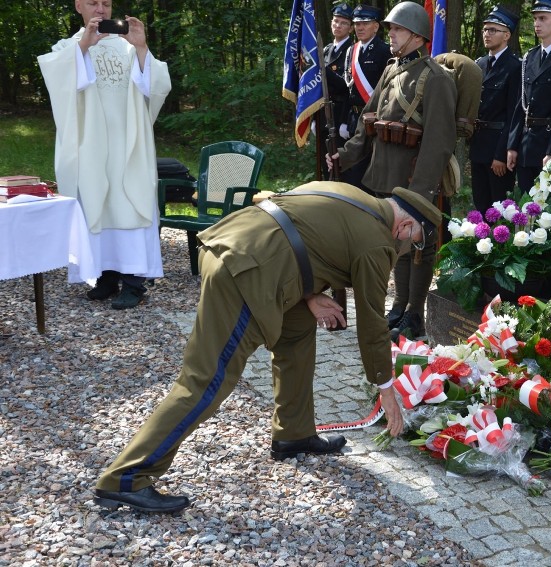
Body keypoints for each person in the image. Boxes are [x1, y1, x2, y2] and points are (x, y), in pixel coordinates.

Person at [93, 181, 441, 513]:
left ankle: (294, 434)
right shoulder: (377, 242)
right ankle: (127, 479)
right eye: (414, 242)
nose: (408, 249)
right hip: (245, 274)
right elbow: (371, 325)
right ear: (405, 225)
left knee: (298, 332)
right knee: (206, 379)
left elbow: (285, 218)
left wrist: (309, 294)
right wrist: (386, 388)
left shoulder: (349, 194)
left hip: (240, 246)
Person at [327, 1, 457, 341]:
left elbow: (440, 141)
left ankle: (414, 313)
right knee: (395, 242)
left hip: (413, 178)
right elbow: (367, 123)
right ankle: (399, 306)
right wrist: (344, 156)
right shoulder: (391, 69)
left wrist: (422, 191)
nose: (391, 35)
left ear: (415, 35)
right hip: (383, 173)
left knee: (419, 246)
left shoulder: (435, 78)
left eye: (396, 29)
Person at [38, 0, 171, 310]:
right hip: (91, 143)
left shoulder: (127, 45)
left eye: (106, 3)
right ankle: (106, 277)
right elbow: (60, 85)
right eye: (93, 3)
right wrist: (83, 48)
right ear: (78, 6)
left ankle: (135, 282)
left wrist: (141, 48)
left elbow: (157, 86)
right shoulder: (69, 46)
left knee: (129, 201)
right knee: (97, 203)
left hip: (129, 143)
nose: (101, 9)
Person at [326, 4, 392, 192]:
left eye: (365, 23)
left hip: (375, 120)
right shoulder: (351, 51)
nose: (359, 28)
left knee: (370, 175)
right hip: (355, 119)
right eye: (356, 24)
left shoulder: (384, 51)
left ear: (376, 26)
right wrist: (345, 120)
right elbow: (349, 90)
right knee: (352, 174)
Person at [505, 0, 551, 193]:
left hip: (548, 144)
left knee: (547, 213)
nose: (536, 23)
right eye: (535, 19)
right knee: (525, 208)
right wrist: (512, 145)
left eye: (542, 18)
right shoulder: (530, 56)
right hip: (526, 145)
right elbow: (520, 104)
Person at [469, 5, 521, 214]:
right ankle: (479, 245)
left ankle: (498, 246)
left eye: (493, 30)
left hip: (497, 148)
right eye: (485, 29)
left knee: (499, 209)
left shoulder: (515, 66)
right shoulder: (479, 64)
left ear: (506, 35)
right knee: (480, 204)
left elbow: (514, 113)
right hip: (479, 144)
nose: (487, 34)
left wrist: (501, 154)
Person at [317, 2, 354, 179]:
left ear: (351, 28)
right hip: (324, 114)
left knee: (340, 165)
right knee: (325, 164)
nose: (338, 26)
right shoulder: (326, 50)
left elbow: (346, 86)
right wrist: (314, 117)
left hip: (341, 115)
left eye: (344, 23)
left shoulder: (353, 50)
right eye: (336, 21)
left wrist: (323, 70)